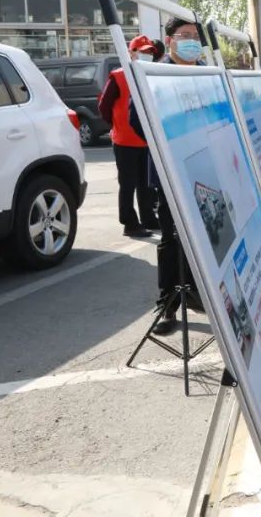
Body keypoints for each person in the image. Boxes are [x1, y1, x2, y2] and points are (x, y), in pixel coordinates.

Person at [136, 18, 208, 336]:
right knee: (172, 238)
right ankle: (168, 304)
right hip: (170, 171)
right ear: (170, 40)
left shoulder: (207, 72)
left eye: (196, 36)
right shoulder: (152, 74)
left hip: (205, 167)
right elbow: (136, 119)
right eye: (185, 35)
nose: (192, 41)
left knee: (206, 236)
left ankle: (199, 293)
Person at [99, 35, 160, 238]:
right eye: (142, 51)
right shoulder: (118, 76)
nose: (146, 55)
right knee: (127, 185)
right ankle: (130, 223)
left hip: (146, 140)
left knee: (146, 184)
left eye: (149, 52)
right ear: (131, 53)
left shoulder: (149, 74)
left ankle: (148, 219)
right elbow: (104, 106)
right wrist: (117, 125)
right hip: (125, 141)